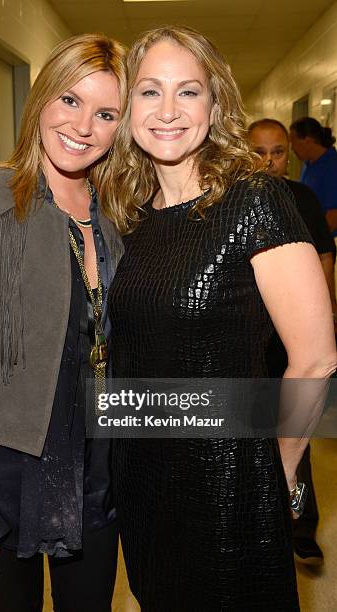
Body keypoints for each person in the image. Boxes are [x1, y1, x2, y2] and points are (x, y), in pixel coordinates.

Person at [101, 26, 337, 611]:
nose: (169, 111)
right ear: (128, 106)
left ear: (216, 103)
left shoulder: (255, 199)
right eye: (150, 91)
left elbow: (316, 356)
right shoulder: (130, 214)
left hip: (230, 480)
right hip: (146, 473)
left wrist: (276, 472)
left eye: (189, 91)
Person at [0, 33, 127, 612]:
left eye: (105, 113)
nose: (83, 126)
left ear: (120, 127)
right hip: (6, 476)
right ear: (40, 100)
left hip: (98, 473)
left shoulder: (117, 221)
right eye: (70, 101)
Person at [249, 117, 336, 565]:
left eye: (278, 151)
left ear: (290, 154)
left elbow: (324, 253)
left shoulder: (302, 198)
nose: (268, 160)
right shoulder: (235, 201)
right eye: (259, 150)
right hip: (252, 338)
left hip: (293, 338)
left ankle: (300, 524)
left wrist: (326, 312)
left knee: (295, 434)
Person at [290, 116, 337, 234]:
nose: (292, 148)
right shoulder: (308, 164)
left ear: (308, 141)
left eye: (293, 142)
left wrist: (315, 242)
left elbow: (333, 216)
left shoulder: (332, 166)